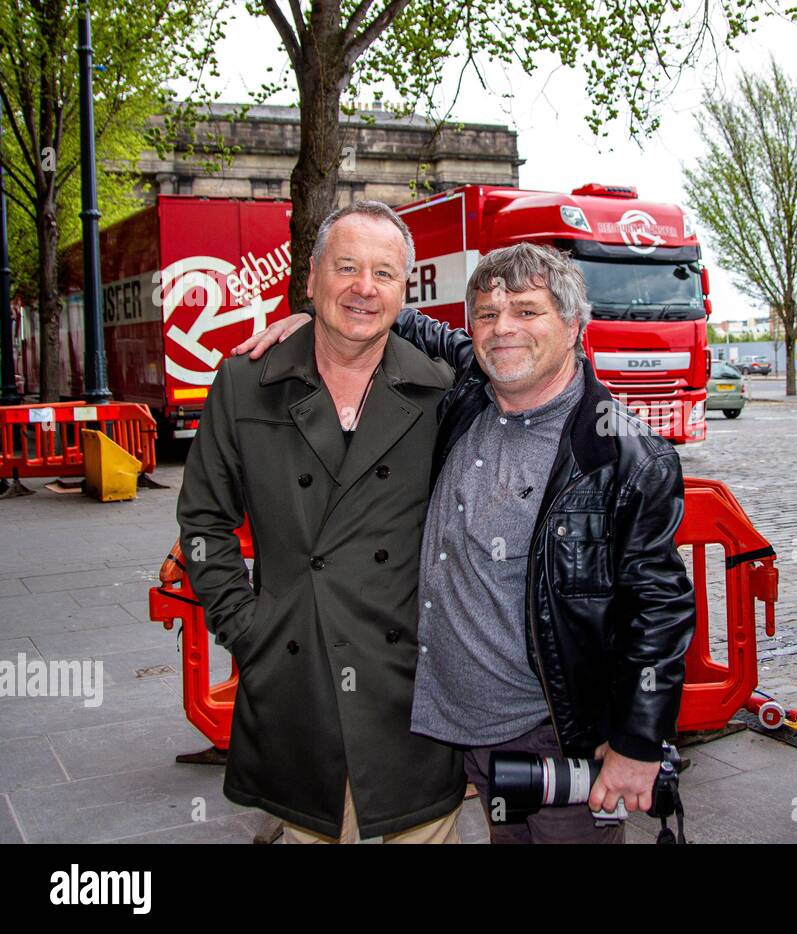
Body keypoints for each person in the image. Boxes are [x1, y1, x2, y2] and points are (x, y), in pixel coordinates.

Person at [243, 242, 696, 843]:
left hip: (553, 735)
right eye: (487, 314)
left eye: (527, 311)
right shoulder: (470, 391)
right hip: (451, 725)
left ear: (573, 327)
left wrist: (638, 742)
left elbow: (660, 608)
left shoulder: (625, 456)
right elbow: (407, 321)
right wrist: (323, 317)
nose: (503, 328)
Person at [177, 200, 468, 843]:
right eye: (346, 267)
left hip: (410, 690)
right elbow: (203, 521)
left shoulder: (444, 391)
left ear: (404, 292)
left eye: (384, 274)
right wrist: (248, 629)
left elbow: (545, 373)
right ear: (310, 278)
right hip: (296, 679)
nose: (365, 287)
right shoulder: (245, 381)